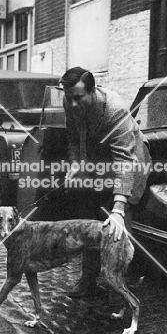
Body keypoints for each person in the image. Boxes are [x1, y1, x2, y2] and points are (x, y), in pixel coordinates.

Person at [59, 66, 151, 298]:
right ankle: (88, 280)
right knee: (91, 215)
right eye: (69, 98)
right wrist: (75, 164)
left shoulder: (114, 110)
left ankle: (120, 284)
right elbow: (71, 137)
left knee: (118, 223)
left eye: (78, 98)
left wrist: (119, 206)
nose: (72, 104)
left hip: (131, 161)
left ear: (92, 91)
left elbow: (124, 162)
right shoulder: (71, 101)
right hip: (99, 160)